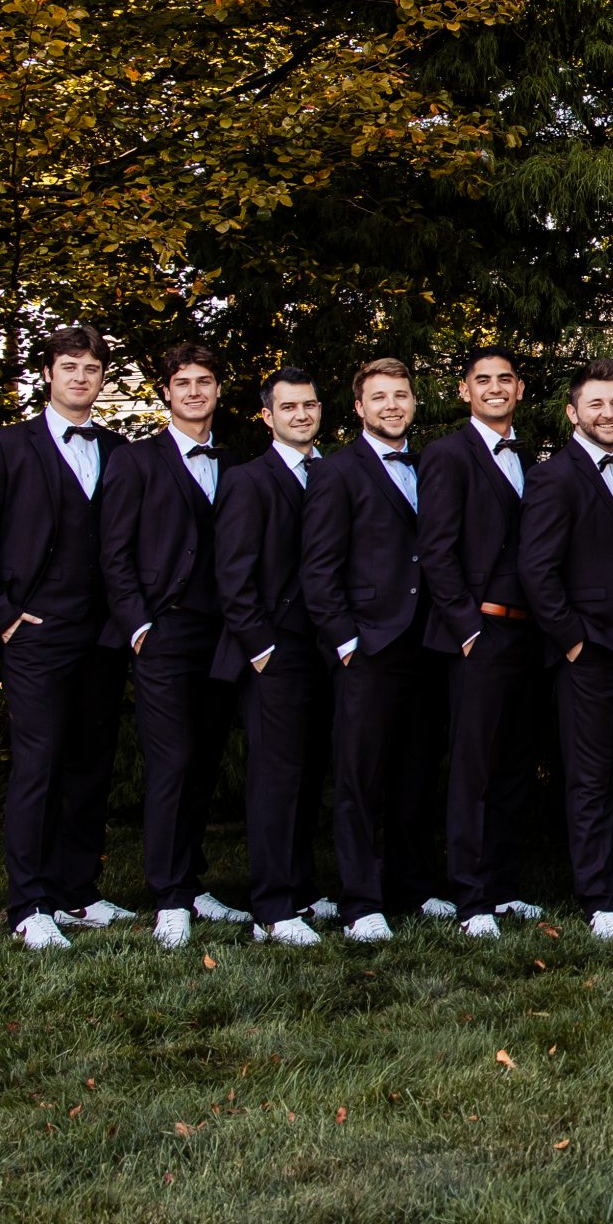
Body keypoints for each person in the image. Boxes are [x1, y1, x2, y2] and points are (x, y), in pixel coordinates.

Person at [0, 324, 132, 950]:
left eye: (91, 368)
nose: (81, 377)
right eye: (69, 367)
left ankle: (77, 891)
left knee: (90, 763)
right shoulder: (7, 445)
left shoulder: (118, 449)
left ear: (102, 378)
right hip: (34, 630)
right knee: (39, 762)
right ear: (48, 375)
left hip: (102, 632)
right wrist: (3, 615)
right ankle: (30, 903)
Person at [98, 342, 250, 948]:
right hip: (165, 631)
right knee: (172, 760)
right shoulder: (136, 461)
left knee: (206, 758)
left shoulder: (237, 463)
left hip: (224, 633)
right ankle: (168, 898)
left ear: (218, 391)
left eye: (204, 382)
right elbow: (113, 551)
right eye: (182, 382)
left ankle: (191, 881)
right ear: (166, 392)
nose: (194, 391)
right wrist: (139, 625)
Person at [302, 357, 449, 942]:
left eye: (401, 395)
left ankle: (412, 884)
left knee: (417, 772)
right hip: (367, 645)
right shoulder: (336, 472)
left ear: (414, 402)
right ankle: (361, 901)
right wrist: (346, 642)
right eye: (380, 397)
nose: (392, 405)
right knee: (360, 779)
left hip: (427, 641)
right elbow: (318, 569)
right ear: (360, 407)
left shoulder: (430, 464)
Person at [521, 360, 613, 942]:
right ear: (572, 412)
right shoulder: (554, 476)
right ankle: (597, 897)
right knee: (589, 778)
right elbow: (536, 569)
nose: (608, 413)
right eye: (595, 404)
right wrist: (572, 639)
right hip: (589, 650)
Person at [418, 346, 546, 938]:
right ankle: (469, 898)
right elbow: (436, 549)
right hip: (480, 631)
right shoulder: (447, 455)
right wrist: (466, 628)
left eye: (505, 379)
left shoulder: (532, 457)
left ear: (519, 389)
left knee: (515, 763)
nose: (495, 387)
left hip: (528, 631)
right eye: (483, 380)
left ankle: (502, 887)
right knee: (472, 768)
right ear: (464, 390)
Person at [211, 367, 337, 946]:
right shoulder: (247, 481)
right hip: (273, 651)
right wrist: (259, 648)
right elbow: (232, 574)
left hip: (324, 648)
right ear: (267, 416)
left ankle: (302, 890)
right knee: (275, 779)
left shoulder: (332, 472)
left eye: (309, 405)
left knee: (308, 774)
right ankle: (272, 906)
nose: (301, 415)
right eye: (288, 407)